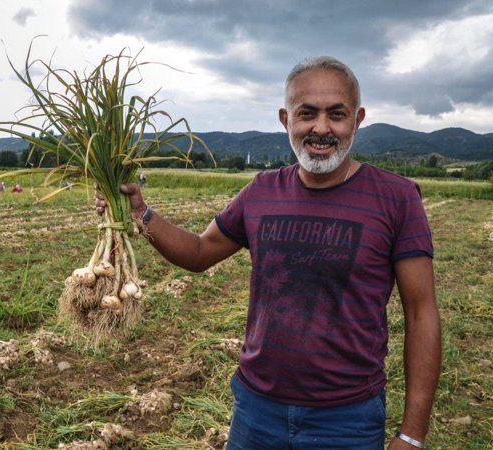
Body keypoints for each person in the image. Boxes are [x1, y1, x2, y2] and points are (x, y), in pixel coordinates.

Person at [97, 56, 440, 450]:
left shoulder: (396, 198)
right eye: (307, 113)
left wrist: (412, 434)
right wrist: (141, 213)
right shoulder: (260, 191)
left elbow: (421, 313)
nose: (321, 128)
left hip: (346, 418)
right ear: (285, 119)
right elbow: (198, 252)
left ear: (358, 119)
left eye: (337, 115)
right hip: (256, 410)